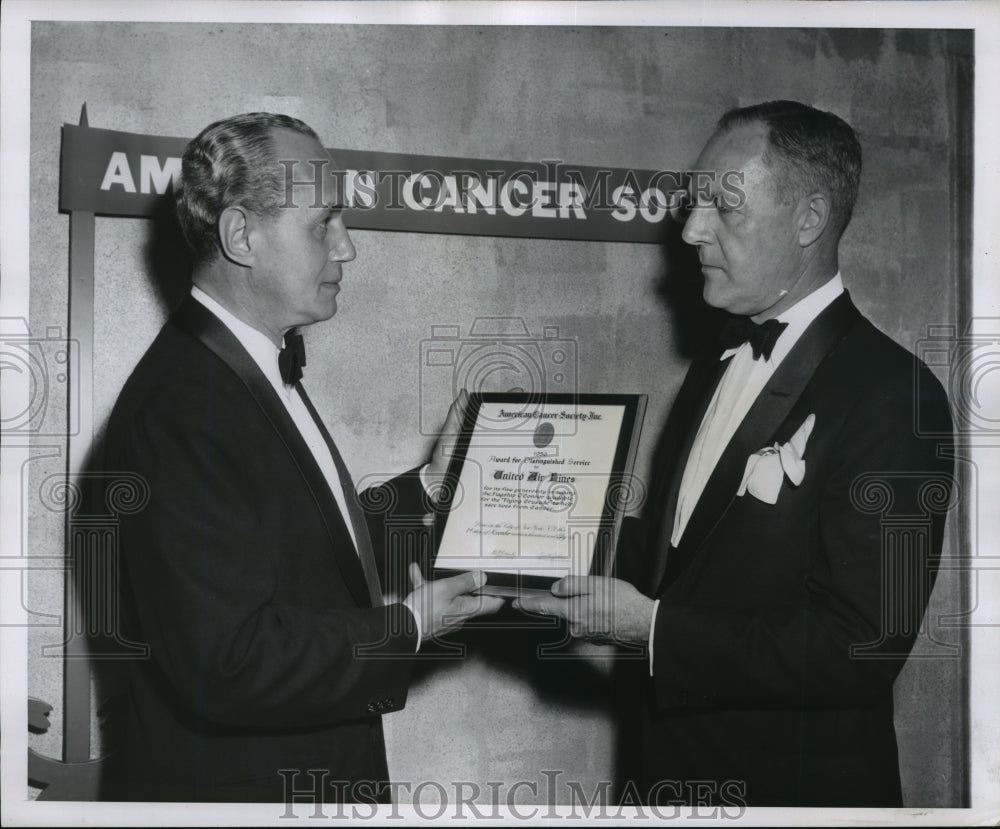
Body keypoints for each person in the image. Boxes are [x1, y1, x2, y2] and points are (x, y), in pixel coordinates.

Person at [516, 100, 955, 807]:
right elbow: (690, 559)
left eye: (724, 208)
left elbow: (863, 644)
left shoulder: (896, 394)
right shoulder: (718, 361)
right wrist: (535, 523)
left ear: (808, 220)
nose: (691, 230)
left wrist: (653, 628)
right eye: (694, 205)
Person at [100, 112, 503, 803]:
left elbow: (297, 555)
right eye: (324, 223)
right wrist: (409, 624)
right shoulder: (182, 407)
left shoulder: (234, 371)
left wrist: (434, 485)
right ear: (240, 235)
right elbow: (229, 662)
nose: (347, 248)